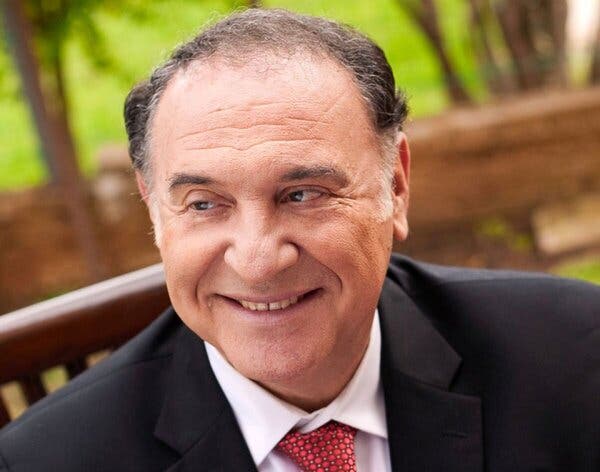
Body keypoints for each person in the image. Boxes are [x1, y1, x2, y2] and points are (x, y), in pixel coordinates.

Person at [0, 8, 598, 472]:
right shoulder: (43, 461)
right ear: (154, 212)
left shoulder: (575, 358)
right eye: (205, 204)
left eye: (303, 194)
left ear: (396, 186)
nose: (258, 262)